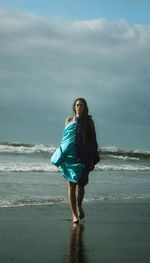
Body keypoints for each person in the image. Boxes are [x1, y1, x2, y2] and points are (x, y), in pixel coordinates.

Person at [51, 98, 100, 224]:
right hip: (69, 158)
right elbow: (65, 140)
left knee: (81, 186)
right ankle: (74, 215)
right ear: (74, 107)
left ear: (84, 108)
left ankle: (80, 206)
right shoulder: (68, 120)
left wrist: (92, 158)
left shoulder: (89, 122)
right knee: (71, 186)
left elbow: (93, 141)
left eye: (81, 105)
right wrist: (61, 154)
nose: (79, 107)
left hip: (83, 157)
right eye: (77, 105)